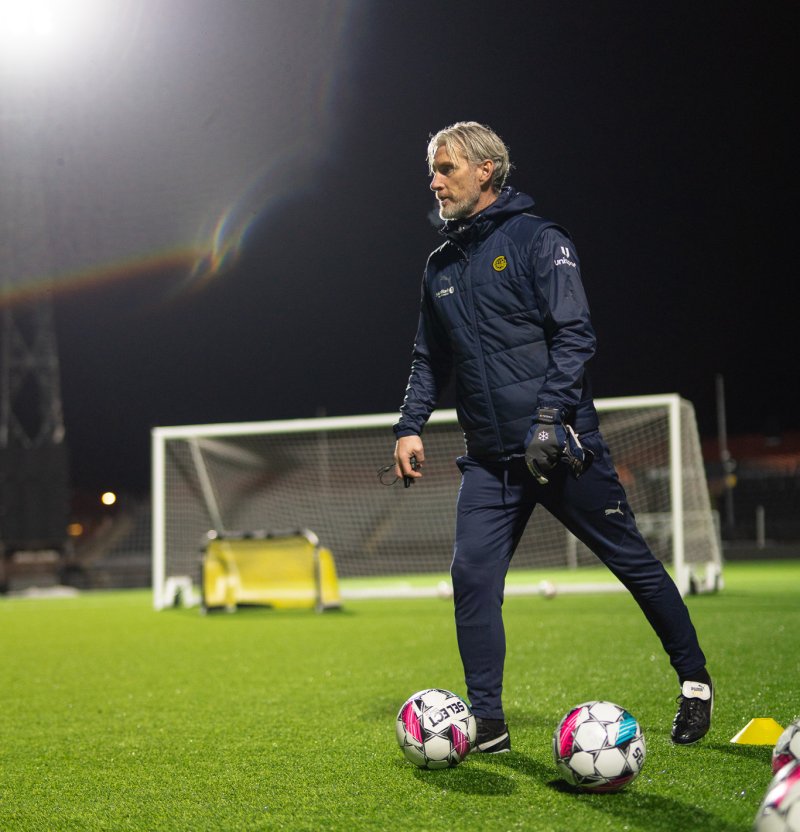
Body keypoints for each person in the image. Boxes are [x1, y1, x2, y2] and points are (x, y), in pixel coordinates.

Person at [392, 121, 713, 753]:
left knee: (634, 565)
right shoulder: (439, 267)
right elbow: (429, 359)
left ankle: (695, 683)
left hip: (559, 448)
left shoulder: (540, 239)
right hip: (489, 463)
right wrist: (409, 426)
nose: (434, 181)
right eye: (432, 169)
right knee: (472, 578)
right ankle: (489, 724)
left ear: (486, 170)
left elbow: (576, 335)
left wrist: (548, 417)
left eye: (446, 168)